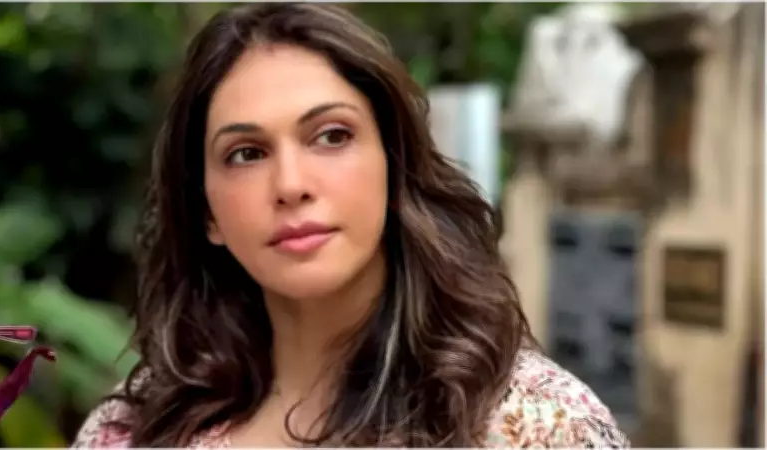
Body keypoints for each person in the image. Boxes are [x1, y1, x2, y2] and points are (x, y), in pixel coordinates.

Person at [72, 3, 630, 448]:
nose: (291, 184)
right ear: (207, 213)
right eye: (246, 154)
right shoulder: (133, 429)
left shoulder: (537, 426)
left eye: (332, 136)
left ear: (394, 165)